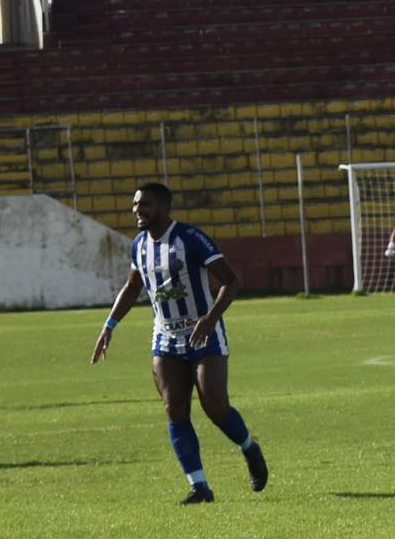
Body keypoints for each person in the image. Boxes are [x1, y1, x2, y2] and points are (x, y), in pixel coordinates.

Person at [90, 182, 268, 505]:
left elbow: (231, 281)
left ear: (164, 206)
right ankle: (200, 487)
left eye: (144, 204)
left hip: (204, 332)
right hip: (166, 336)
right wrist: (109, 325)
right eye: (134, 205)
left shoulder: (190, 238)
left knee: (214, 405)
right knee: (175, 409)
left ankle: (249, 448)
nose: (137, 211)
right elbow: (132, 287)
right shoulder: (139, 246)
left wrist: (210, 318)